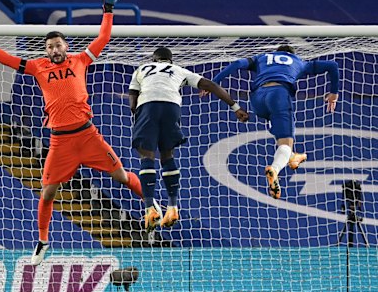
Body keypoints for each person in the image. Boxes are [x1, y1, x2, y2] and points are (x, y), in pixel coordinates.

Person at [0, 0, 161, 266]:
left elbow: (103, 37)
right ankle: (42, 242)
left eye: (58, 45)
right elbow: (7, 60)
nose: (54, 50)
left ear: (66, 47)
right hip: (60, 142)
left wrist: (108, 9)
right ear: (46, 50)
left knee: (123, 177)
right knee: (48, 192)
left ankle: (152, 205)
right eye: (49, 47)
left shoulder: (81, 60)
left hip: (88, 135)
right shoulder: (37, 67)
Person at [129, 47, 249, 231]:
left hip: (147, 107)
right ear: (171, 60)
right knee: (168, 156)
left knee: (146, 157)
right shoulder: (179, 70)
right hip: (171, 107)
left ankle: (149, 208)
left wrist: (140, 116)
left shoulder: (142, 69)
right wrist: (235, 107)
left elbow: (132, 100)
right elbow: (211, 85)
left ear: (153, 59)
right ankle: (172, 207)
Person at [209, 44, 339, 199]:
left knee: (280, 137)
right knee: (285, 142)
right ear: (292, 54)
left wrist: (213, 83)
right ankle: (275, 170)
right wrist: (334, 92)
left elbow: (237, 64)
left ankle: (292, 156)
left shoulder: (261, 58)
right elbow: (333, 65)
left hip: (257, 99)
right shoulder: (299, 62)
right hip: (279, 94)